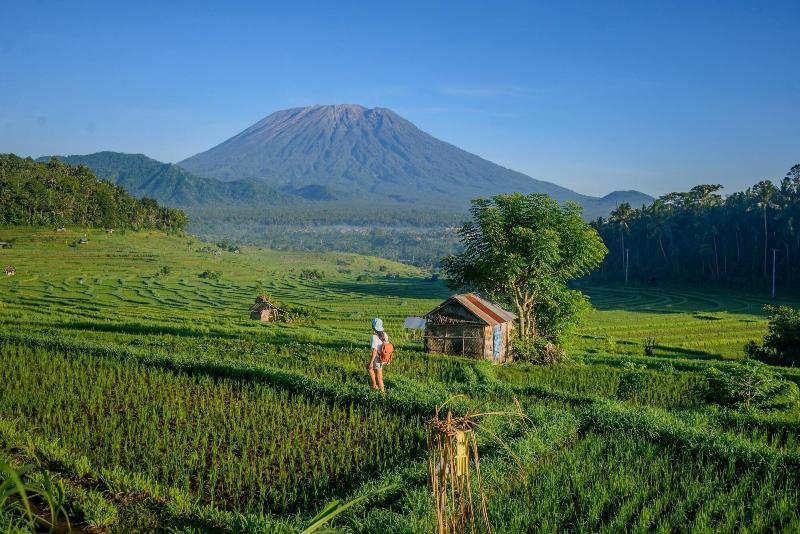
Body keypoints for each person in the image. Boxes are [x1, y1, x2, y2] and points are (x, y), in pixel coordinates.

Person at [368, 317, 388, 393]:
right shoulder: (385, 334)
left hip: (378, 359)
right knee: (369, 368)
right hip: (384, 358)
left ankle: (382, 394)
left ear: (373, 327)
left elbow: (374, 351)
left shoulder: (374, 337)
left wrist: (371, 361)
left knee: (379, 377)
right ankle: (374, 385)